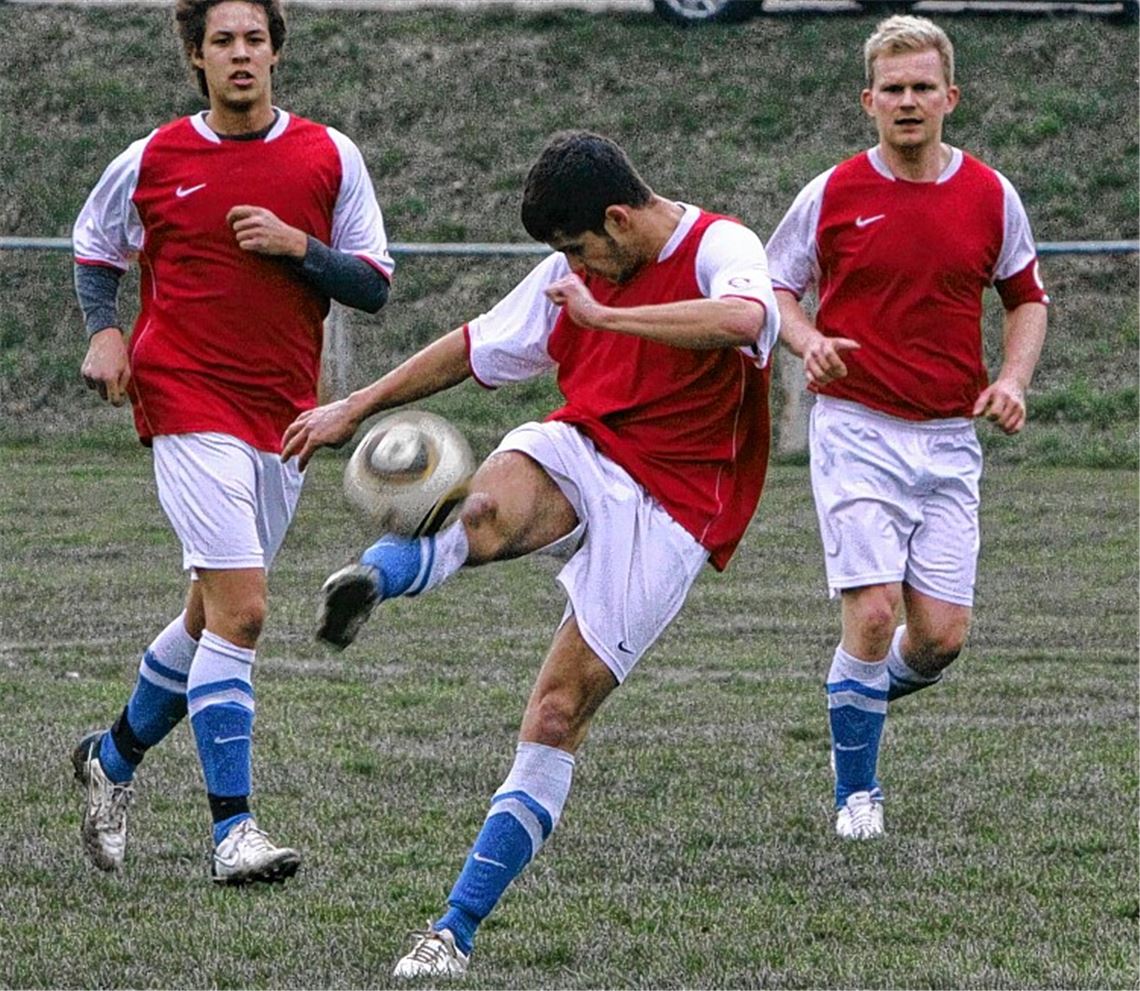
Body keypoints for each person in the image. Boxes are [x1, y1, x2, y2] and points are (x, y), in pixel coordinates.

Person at [281, 129, 779, 977]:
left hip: (675, 508)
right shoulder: (572, 275)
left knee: (554, 715)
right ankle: (374, 575)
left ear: (618, 220)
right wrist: (355, 406)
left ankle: (453, 929)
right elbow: (473, 346)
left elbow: (746, 320)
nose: (571, 267)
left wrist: (606, 316)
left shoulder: (720, 247)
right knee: (482, 509)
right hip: (586, 444)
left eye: (579, 249)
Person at [70, 0, 393, 884]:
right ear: (196, 57)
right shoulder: (153, 157)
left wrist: (300, 247)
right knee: (244, 611)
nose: (241, 54)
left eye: (255, 39)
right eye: (223, 41)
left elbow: (373, 284)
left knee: (209, 613)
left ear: (276, 53)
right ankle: (233, 832)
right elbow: (95, 247)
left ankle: (111, 758)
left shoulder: (329, 155)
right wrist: (106, 333)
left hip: (282, 416)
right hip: (182, 396)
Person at [765, 15, 1049, 841]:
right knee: (871, 612)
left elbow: (1026, 297)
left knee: (940, 639)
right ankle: (857, 794)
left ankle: (851, 701)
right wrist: (809, 341)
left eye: (924, 86)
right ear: (869, 101)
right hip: (857, 428)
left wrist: (1012, 379)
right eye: (893, 88)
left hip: (951, 436)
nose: (909, 101)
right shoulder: (832, 193)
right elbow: (775, 287)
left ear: (951, 96)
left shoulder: (991, 195)